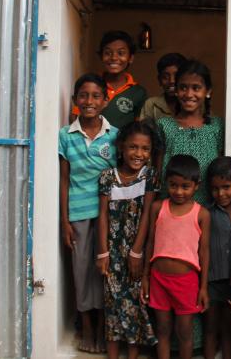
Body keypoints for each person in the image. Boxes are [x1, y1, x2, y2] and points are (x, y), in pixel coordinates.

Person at [59, 73, 118, 353]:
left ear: (105, 101)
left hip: (109, 215)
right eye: (83, 95)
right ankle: (88, 327)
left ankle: (105, 327)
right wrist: (64, 222)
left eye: (96, 96)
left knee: (104, 271)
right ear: (74, 101)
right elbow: (64, 179)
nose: (89, 101)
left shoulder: (114, 135)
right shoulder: (65, 135)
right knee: (80, 270)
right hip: (79, 214)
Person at [97, 121, 161, 358]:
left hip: (137, 250)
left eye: (145, 149)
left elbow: (147, 214)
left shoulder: (150, 176)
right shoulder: (107, 177)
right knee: (112, 303)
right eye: (133, 147)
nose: (139, 154)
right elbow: (102, 215)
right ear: (121, 148)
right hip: (112, 251)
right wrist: (102, 252)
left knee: (135, 305)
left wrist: (136, 252)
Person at [141, 154, 211, 359]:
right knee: (162, 331)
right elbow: (150, 243)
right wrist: (145, 276)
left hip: (187, 282)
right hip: (158, 279)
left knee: (184, 332)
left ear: (196, 185)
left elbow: (204, 252)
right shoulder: (158, 208)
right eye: (173, 185)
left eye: (185, 186)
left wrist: (204, 287)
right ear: (166, 183)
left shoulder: (202, 214)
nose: (178, 191)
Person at [157, 59, 224, 207]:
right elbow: (159, 170)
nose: (189, 94)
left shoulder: (216, 126)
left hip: (207, 208)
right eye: (183, 87)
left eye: (196, 88)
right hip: (172, 207)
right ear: (176, 90)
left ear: (208, 91)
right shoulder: (165, 126)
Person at [204, 156, 231, 359]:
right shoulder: (207, 213)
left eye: (227, 187)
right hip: (212, 281)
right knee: (211, 329)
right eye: (215, 188)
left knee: (229, 329)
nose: (221, 193)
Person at [71, 31, 147, 128]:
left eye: (121, 53)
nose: (114, 58)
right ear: (101, 56)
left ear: (130, 58)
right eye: (108, 53)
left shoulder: (138, 92)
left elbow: (138, 127)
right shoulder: (91, 85)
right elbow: (75, 117)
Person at [140, 52, 187, 122]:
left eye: (177, 76)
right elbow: (143, 131)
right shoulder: (151, 105)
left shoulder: (192, 103)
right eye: (165, 77)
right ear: (159, 80)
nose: (172, 81)